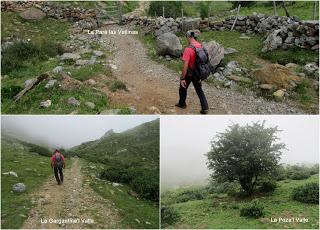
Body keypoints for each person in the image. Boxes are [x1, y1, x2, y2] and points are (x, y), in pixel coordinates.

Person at [176, 30, 209, 114]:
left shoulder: (188, 49)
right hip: (198, 73)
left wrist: (182, 78)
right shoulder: (201, 46)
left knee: (182, 87)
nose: (186, 38)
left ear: (188, 37)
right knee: (199, 90)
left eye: (186, 37)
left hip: (190, 73)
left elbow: (185, 65)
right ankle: (205, 108)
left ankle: (182, 104)